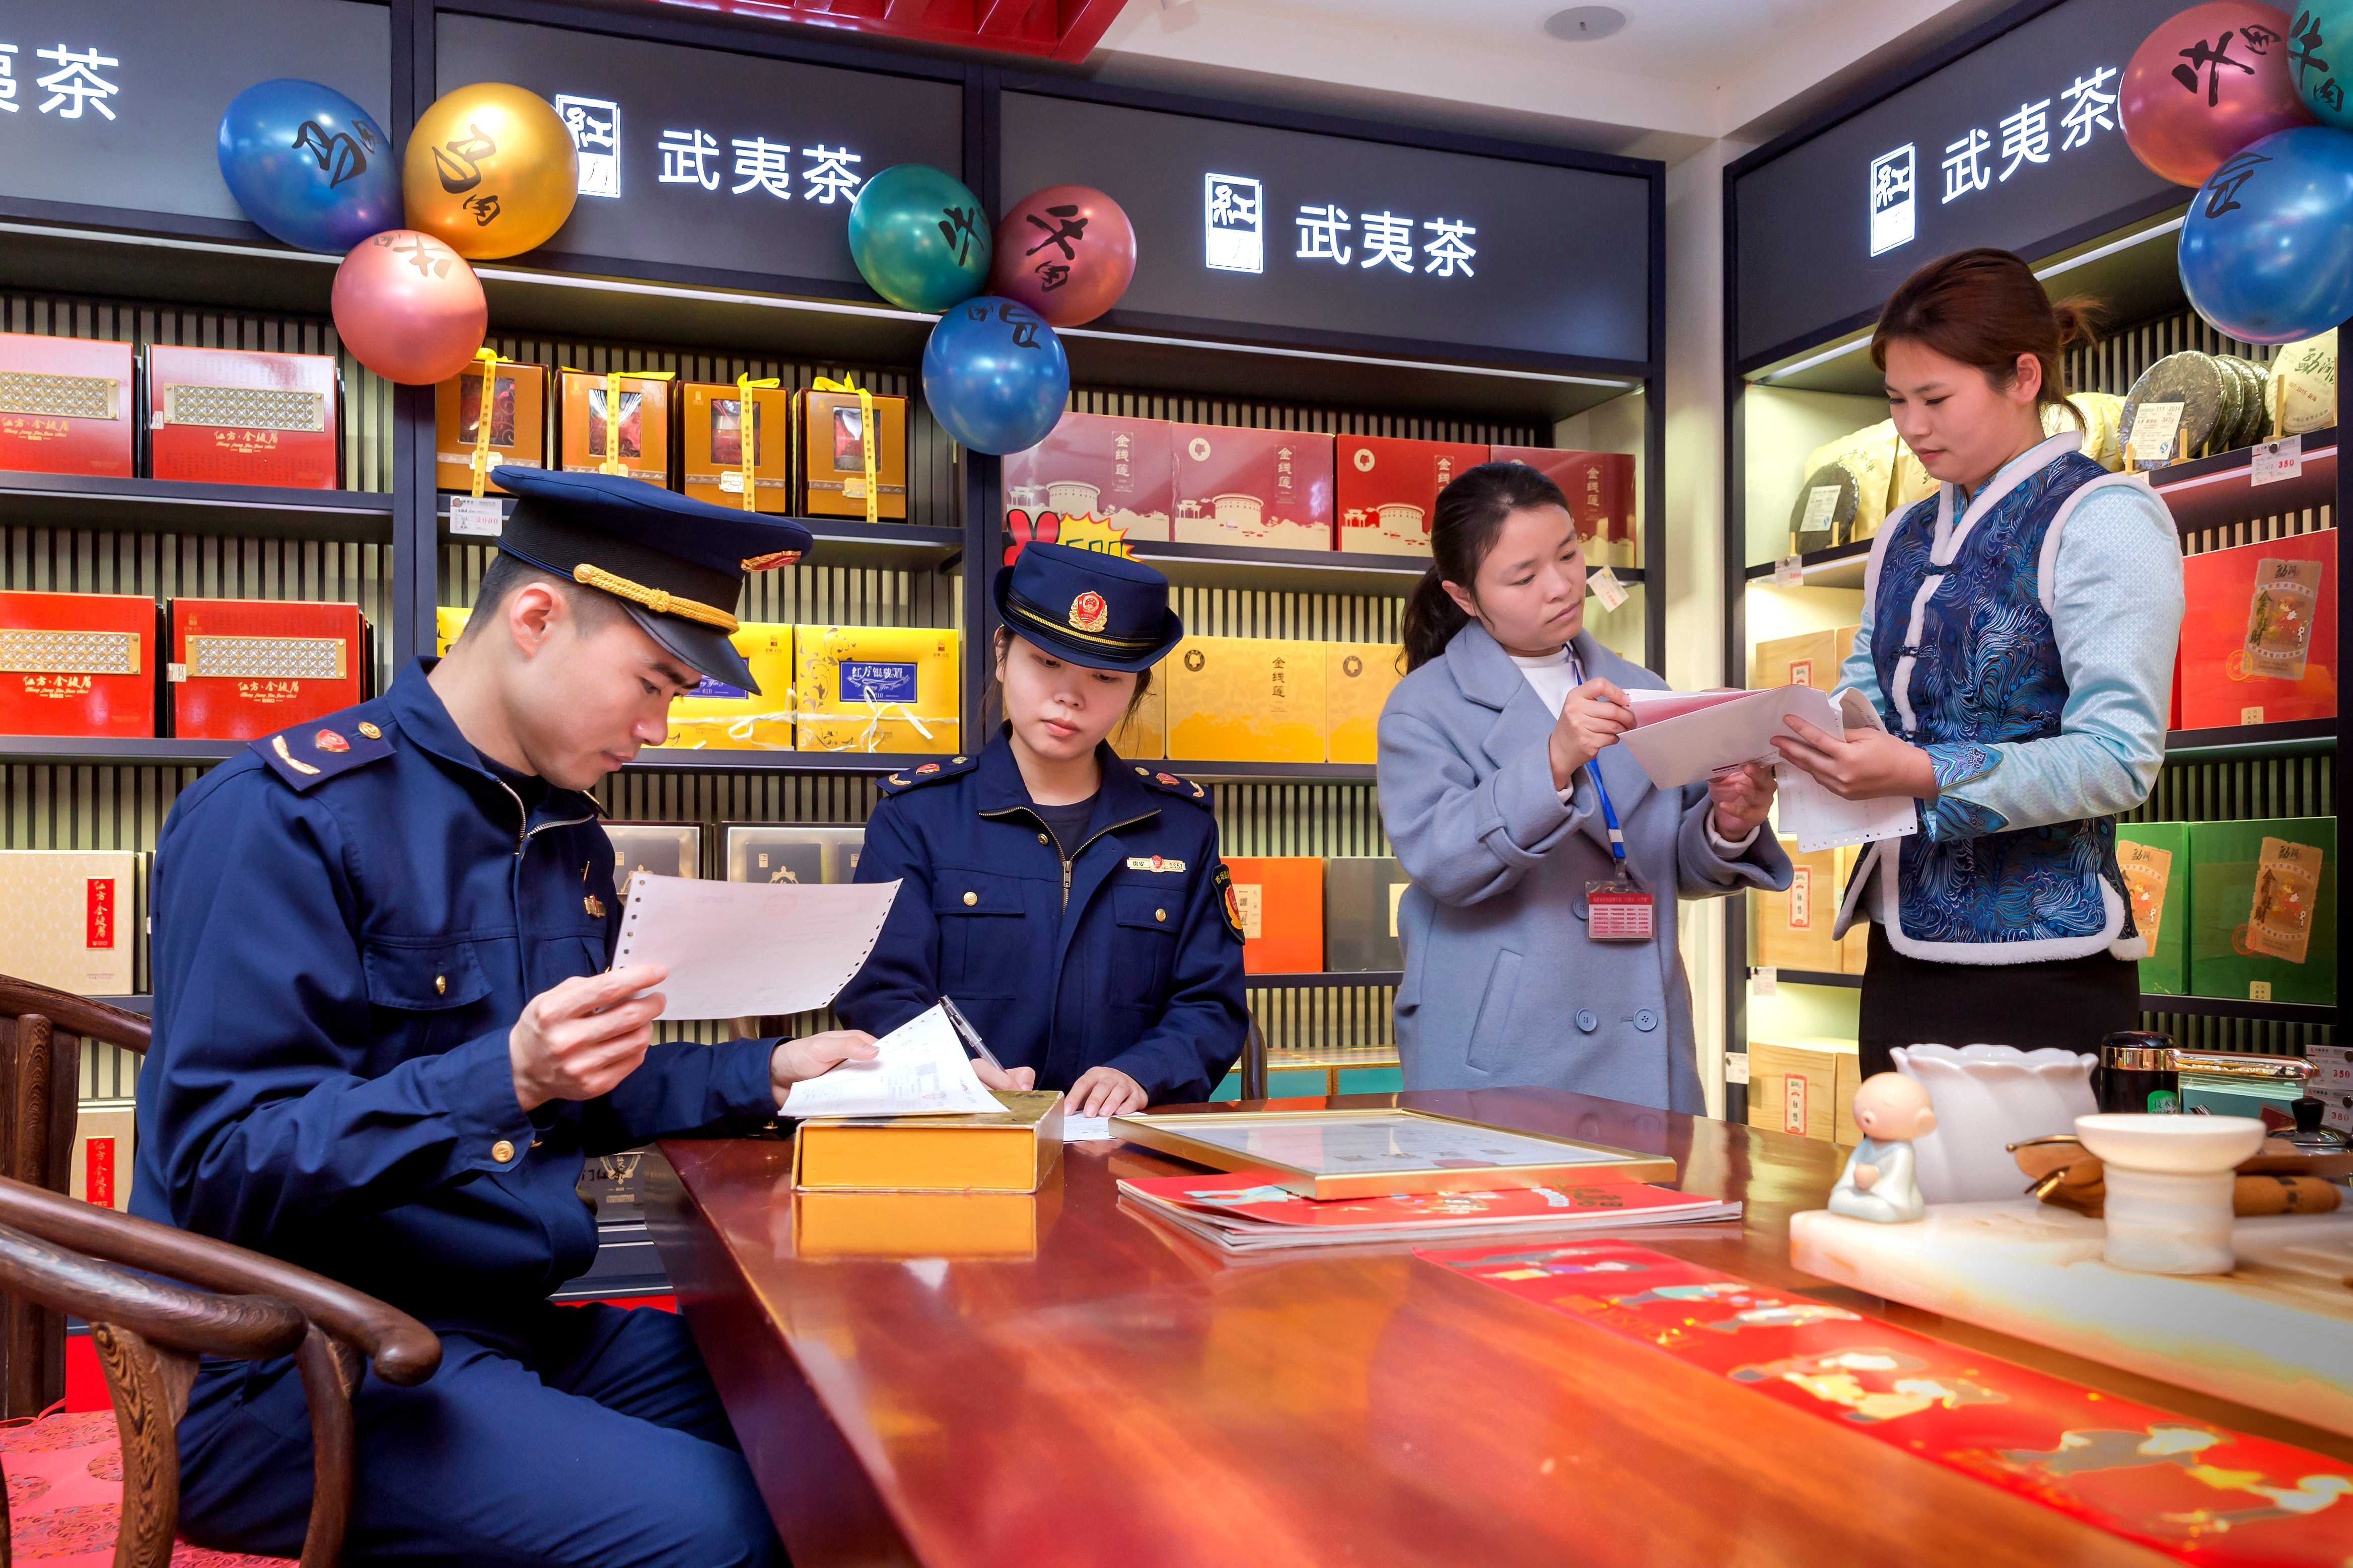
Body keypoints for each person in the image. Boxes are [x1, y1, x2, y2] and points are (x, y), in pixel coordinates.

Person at [133, 466, 1002, 1565]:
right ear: (536, 618)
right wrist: (503, 1076)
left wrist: (771, 1072)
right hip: (305, 1360)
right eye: (652, 684)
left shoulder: (564, 837)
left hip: (501, 1322)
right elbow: (221, 1167)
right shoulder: (283, 818)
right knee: (736, 1534)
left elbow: (577, 1082)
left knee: (861, 1427)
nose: (658, 728)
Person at [1771, 248, 2182, 1078]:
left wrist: (1924, 772)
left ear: (2023, 377)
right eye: (1895, 400)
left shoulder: (2101, 516)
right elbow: (1862, 701)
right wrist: (1782, 746)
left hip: (2045, 962)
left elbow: (2118, 758)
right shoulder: (1902, 534)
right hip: (1898, 947)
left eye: (1934, 399)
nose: (1911, 427)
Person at [1377, 462, 1789, 1111]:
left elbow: (1668, 863)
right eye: (1523, 577)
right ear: (1463, 596)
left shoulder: (1641, 688)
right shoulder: (1422, 707)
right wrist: (1552, 760)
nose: (1561, 585)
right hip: (1506, 1047)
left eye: (1568, 554)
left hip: (1640, 1035)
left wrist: (1727, 824)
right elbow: (1441, 860)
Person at [836, 542, 1247, 1114]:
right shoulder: (916, 817)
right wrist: (952, 1069)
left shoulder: (1181, 828)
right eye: (1047, 662)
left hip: (1122, 1140)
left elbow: (1210, 1004)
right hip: (960, 1126)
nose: (1069, 697)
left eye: (1104, 676)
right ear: (1002, 654)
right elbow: (880, 991)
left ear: (1135, 688)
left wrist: (1142, 1072)